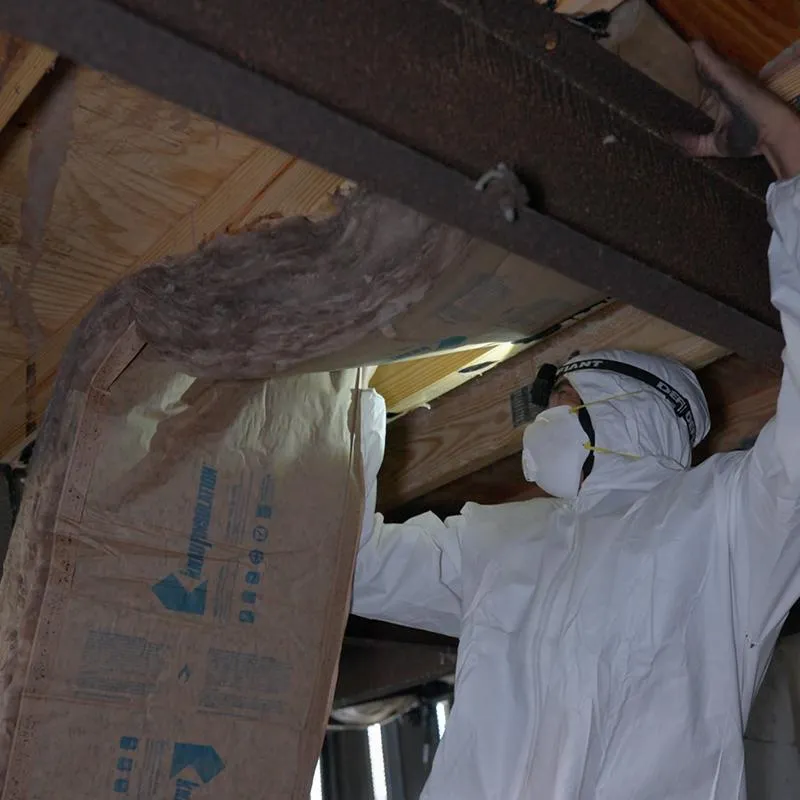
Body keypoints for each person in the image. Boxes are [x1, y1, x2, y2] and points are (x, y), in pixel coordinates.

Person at [354, 42, 800, 800]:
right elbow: (356, 565)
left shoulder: (725, 524)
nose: (538, 431)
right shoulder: (499, 543)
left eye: (561, 404)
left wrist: (791, 161)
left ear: (629, 414)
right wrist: (353, 385)